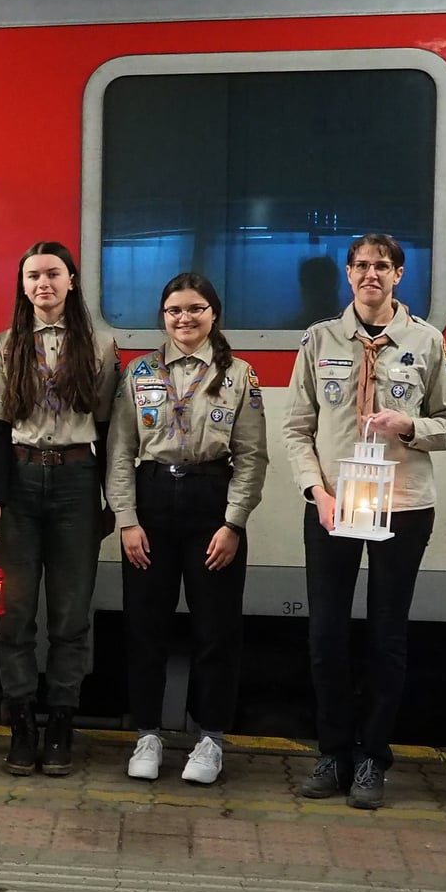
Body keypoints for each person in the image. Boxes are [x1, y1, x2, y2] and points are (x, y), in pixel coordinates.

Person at [282, 232, 446, 809]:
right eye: (361, 265)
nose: (370, 275)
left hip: (402, 504)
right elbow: (296, 429)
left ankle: (372, 760)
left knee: (387, 636)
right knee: (325, 635)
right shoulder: (319, 340)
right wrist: (316, 491)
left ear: (399, 274)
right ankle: (333, 753)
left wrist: (409, 426)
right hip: (333, 504)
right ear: (348, 272)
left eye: (382, 266)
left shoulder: (426, 341)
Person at [109, 273, 269, 785]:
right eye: (174, 310)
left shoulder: (238, 375)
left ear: (213, 314)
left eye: (195, 308)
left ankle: (210, 739)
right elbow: (119, 452)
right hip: (151, 501)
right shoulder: (139, 373)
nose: (185, 318)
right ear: (163, 316)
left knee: (215, 629)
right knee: (145, 626)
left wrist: (233, 522)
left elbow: (251, 456)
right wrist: (127, 520)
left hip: (211, 504)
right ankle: (147, 734)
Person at [0, 242, 119, 778]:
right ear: (22, 284)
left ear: (71, 280)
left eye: (53, 274)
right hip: (20, 479)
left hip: (77, 482)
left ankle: (60, 723)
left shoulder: (101, 346)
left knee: (71, 612)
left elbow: (107, 427)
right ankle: (21, 724)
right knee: (13, 614)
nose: (43, 284)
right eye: (33, 275)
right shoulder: (3, 346)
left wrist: (107, 499)